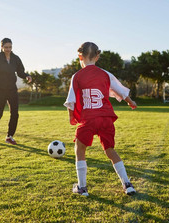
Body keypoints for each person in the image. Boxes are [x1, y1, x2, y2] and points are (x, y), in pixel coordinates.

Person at [64, 42, 137, 196]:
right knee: (110, 150)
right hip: (105, 118)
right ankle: (127, 184)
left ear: (80, 56)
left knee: (79, 148)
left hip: (88, 119)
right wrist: (131, 102)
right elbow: (121, 91)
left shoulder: (76, 76)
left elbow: (71, 101)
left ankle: (82, 187)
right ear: (97, 56)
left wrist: (72, 118)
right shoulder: (106, 74)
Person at [0, 38, 32, 145]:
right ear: (2, 47)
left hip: (12, 89)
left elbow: (20, 72)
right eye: (6, 47)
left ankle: (9, 136)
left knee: (15, 113)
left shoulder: (15, 58)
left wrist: (27, 76)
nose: (8, 49)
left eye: (10, 47)